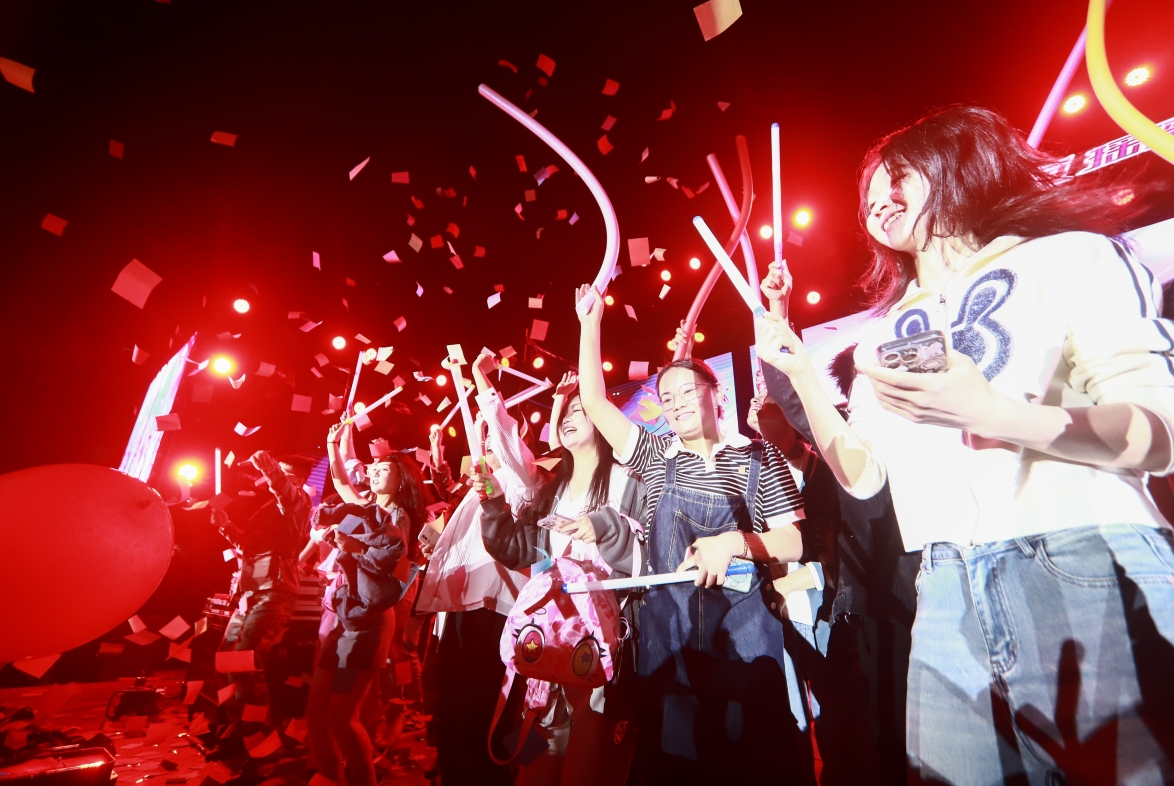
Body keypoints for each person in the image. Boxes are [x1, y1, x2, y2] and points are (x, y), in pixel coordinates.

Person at [756, 105, 1174, 785]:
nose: (877, 202)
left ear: (960, 162)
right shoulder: (884, 332)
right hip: (944, 587)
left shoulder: (1069, 256)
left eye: (896, 178)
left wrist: (996, 415)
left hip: (1083, 553)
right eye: (867, 196)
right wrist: (799, 371)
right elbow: (864, 476)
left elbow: (1160, 432)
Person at [574, 284, 812, 783]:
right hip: (672, 641)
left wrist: (733, 544)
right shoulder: (655, 456)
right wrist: (589, 323)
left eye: (687, 391)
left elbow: (793, 541)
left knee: (754, 765)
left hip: (747, 636)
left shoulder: (759, 456)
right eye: (667, 398)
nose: (676, 403)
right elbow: (594, 401)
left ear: (716, 393)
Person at [476, 374, 647, 785]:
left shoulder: (630, 482)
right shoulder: (553, 490)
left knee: (585, 768)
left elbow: (646, 557)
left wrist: (606, 529)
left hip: (601, 647)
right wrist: (493, 503)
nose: (568, 418)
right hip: (550, 642)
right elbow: (519, 548)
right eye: (564, 412)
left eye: (578, 410)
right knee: (534, 765)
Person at [415, 350, 539, 786]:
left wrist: (480, 381)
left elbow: (504, 434)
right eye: (480, 437)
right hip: (458, 614)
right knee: (452, 716)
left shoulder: (523, 480)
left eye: (490, 436)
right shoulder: (474, 490)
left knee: (486, 720)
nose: (484, 441)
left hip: (494, 617)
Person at [306, 447, 424, 786]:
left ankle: (364, 777)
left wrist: (355, 548)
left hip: (366, 626)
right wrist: (334, 444)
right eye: (373, 467)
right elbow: (342, 482)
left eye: (384, 469)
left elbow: (395, 568)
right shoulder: (363, 509)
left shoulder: (396, 517)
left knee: (342, 715)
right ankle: (330, 777)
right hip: (342, 618)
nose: (373, 472)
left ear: (402, 480)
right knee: (316, 712)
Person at [208, 451, 312, 759]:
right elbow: (248, 547)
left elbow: (284, 491)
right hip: (249, 594)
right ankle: (238, 730)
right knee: (226, 662)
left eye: (283, 472)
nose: (271, 477)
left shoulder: (297, 502)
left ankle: (260, 740)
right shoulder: (268, 510)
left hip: (274, 591)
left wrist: (267, 464)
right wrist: (225, 525)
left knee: (245, 662)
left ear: (298, 479)